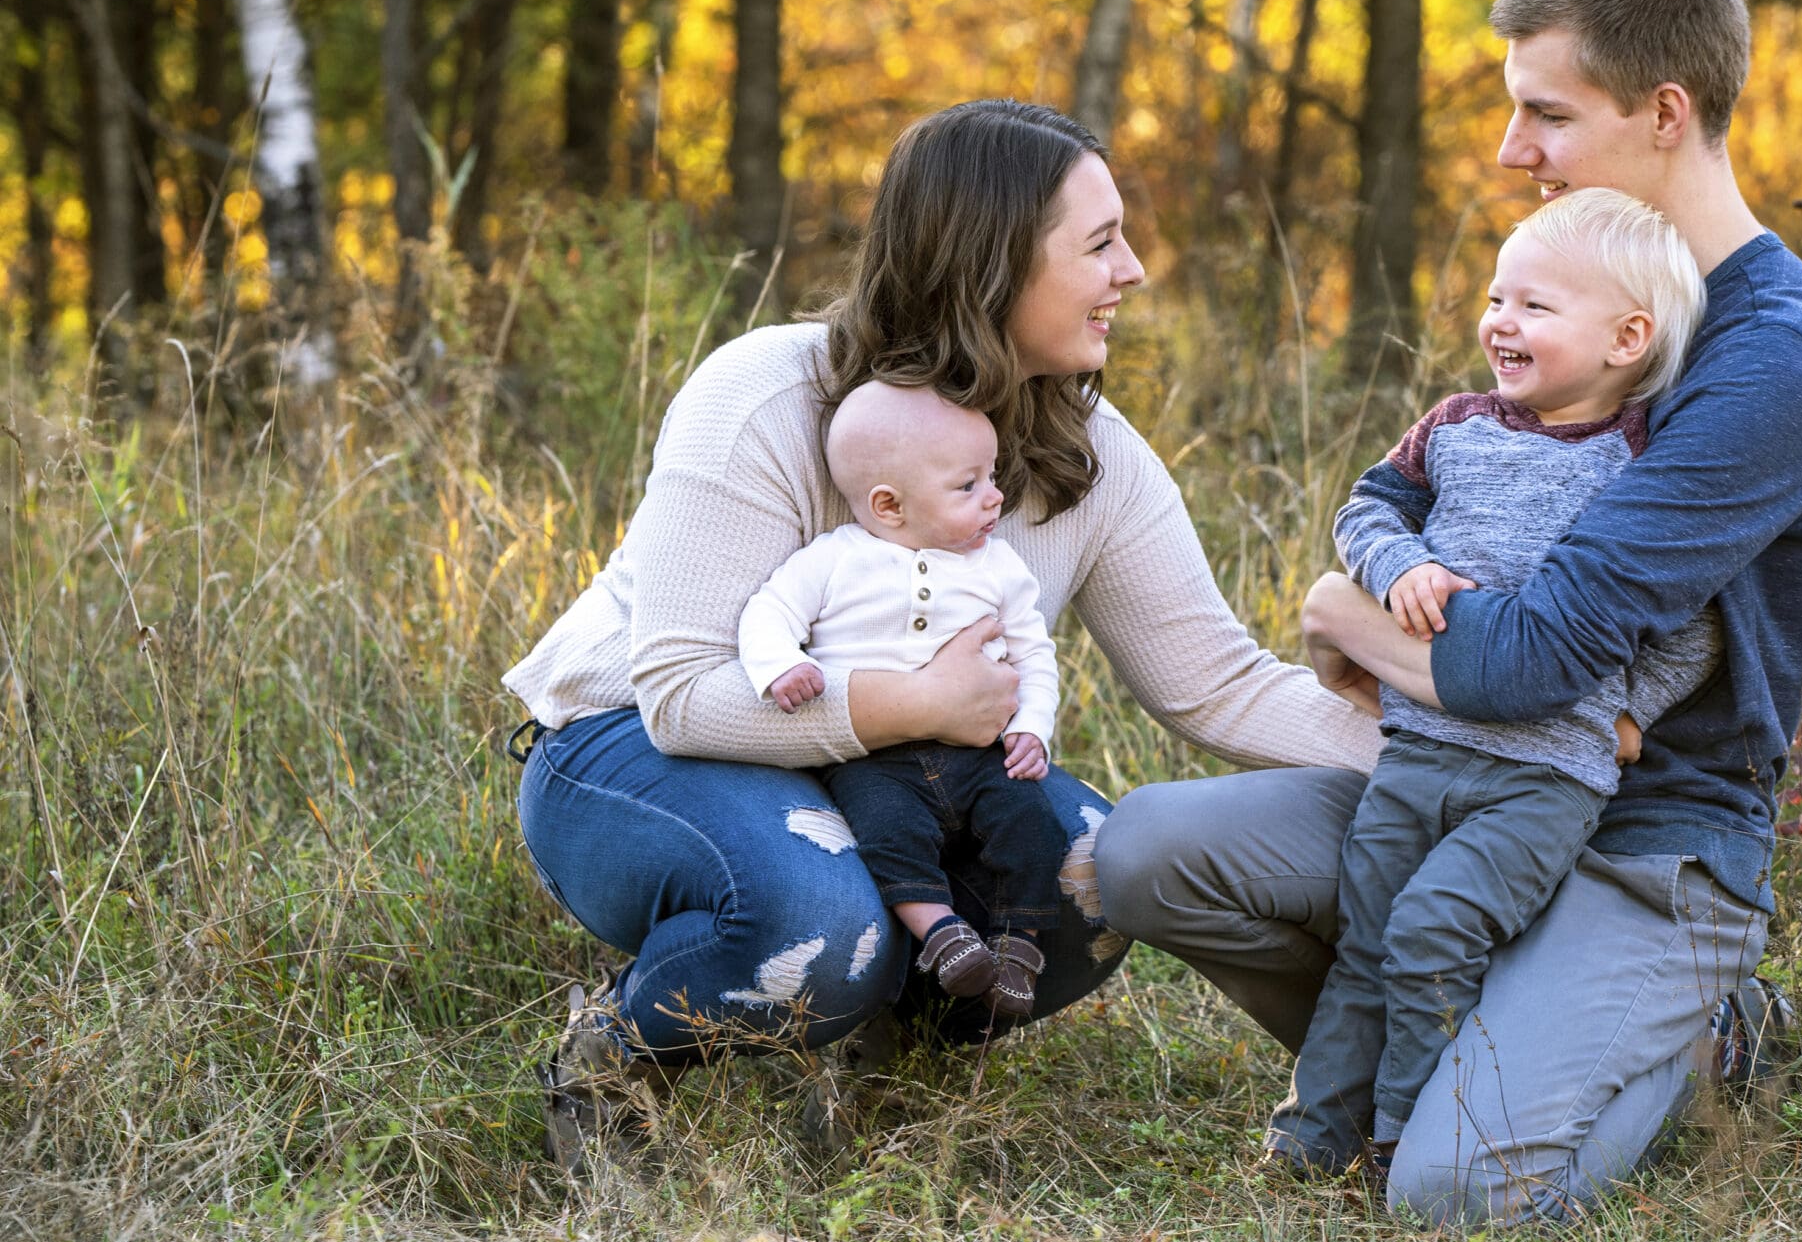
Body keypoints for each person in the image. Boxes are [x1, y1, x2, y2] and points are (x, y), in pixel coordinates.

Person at [1096, 0, 1802, 1224]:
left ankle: (1702, 1031)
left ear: (1665, 113)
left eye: (1548, 115)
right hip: (1458, 781)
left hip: (1650, 842)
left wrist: (1350, 613)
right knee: (1146, 853)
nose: (1514, 151)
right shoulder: (1575, 296)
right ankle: (1462, 1030)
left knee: (1454, 1194)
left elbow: (1523, 665)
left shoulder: (1774, 360)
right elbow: (1460, 537)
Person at [503, 99, 1378, 1176]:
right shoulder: (766, 396)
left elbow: (1217, 682)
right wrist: (913, 704)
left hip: (895, 778)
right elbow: (680, 693)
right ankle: (616, 1052)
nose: (1135, 270)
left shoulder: (1085, 454)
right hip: (633, 753)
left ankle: (881, 1065)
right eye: (1100, 243)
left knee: (1082, 877)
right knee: (820, 920)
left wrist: (1469, 764)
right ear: (990, 261)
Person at [1267, 189, 1719, 1179]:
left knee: (1433, 928)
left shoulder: (1638, 464)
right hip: (1418, 752)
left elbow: (1691, 630)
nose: (1499, 322)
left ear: (1626, 336)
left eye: (1535, 306)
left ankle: (1402, 1138)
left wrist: (1633, 708)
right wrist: (1395, 567)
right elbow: (1366, 512)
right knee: (1366, 937)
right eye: (1495, 297)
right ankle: (1311, 1138)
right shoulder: (1453, 426)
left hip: (1544, 779)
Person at [740, 381, 1062, 1019]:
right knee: (886, 835)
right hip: (874, 757)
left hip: (978, 752)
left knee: (1033, 823)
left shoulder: (999, 568)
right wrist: (783, 666)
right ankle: (942, 936)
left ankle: (1017, 948)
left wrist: (1033, 726)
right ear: (889, 505)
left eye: (990, 476)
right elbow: (767, 613)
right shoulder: (834, 561)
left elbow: (1034, 655)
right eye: (967, 486)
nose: (995, 497)